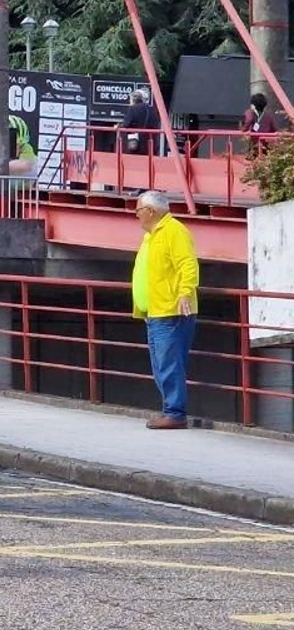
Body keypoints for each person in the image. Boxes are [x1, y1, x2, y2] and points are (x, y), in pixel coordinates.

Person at [132, 191, 198, 430]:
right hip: (155, 312)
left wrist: (184, 292)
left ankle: (175, 413)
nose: (136, 215)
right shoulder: (151, 235)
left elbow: (187, 263)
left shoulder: (173, 230)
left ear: (151, 211)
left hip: (170, 311)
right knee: (160, 364)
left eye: (138, 210)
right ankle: (170, 410)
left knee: (169, 363)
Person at [120, 90, 161, 156]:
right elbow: (156, 124)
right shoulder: (152, 109)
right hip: (151, 145)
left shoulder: (132, 109)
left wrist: (119, 126)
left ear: (133, 99)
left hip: (136, 146)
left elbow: (126, 124)